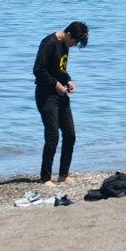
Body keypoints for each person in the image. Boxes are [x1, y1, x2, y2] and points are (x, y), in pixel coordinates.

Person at [33, 21, 89, 186]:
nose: (74, 45)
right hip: (46, 95)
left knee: (70, 135)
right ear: (69, 35)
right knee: (52, 136)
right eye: (75, 42)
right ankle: (45, 178)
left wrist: (68, 80)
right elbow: (38, 70)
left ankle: (63, 174)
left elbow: (60, 70)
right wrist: (56, 84)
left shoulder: (65, 45)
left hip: (61, 95)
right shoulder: (49, 43)